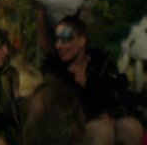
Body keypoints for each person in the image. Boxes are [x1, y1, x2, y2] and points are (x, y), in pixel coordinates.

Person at [43, 15, 143, 145]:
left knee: (131, 127)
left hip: (104, 120)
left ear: (82, 41)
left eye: (65, 39)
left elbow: (120, 95)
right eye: (57, 40)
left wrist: (113, 114)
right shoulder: (54, 73)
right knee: (102, 131)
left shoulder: (102, 65)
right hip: (71, 129)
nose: (58, 45)